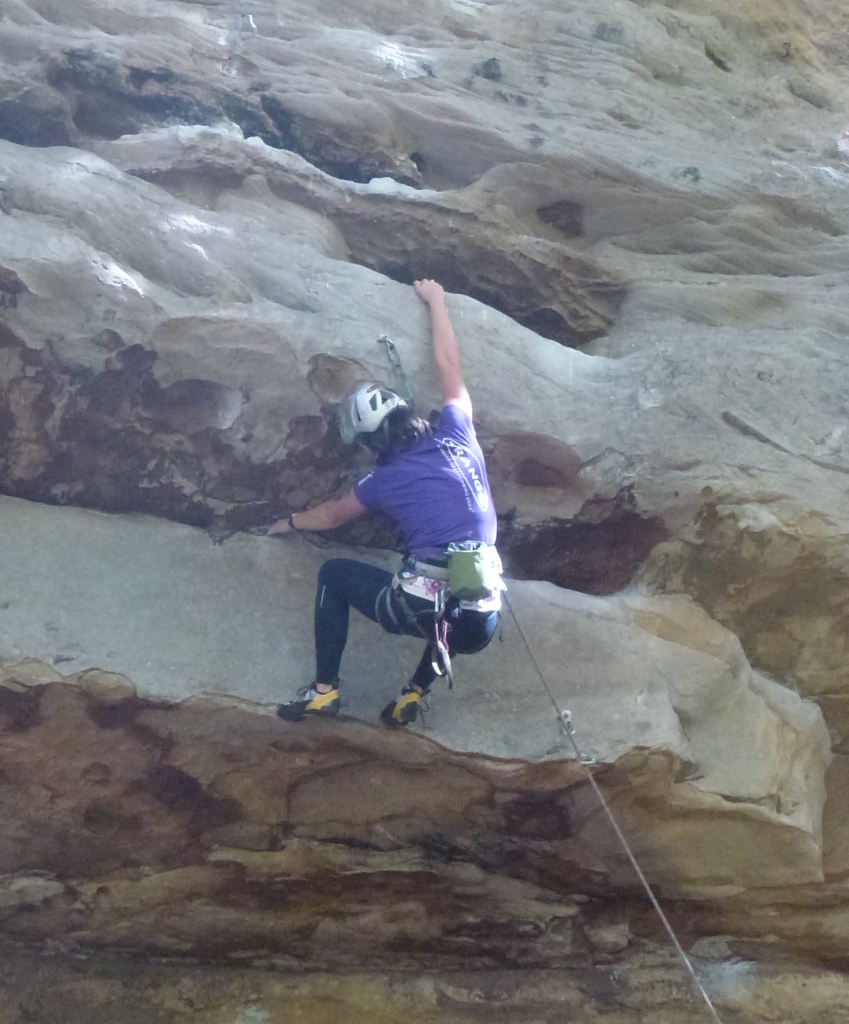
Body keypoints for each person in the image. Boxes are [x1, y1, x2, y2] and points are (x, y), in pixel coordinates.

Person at [269, 279, 503, 727]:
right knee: (455, 606)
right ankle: (412, 694)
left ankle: (323, 692)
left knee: (334, 575)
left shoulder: (385, 480)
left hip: (416, 607)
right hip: (483, 620)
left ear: (369, 443)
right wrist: (437, 299)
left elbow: (332, 515)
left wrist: (291, 522)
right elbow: (448, 362)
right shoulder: (458, 431)